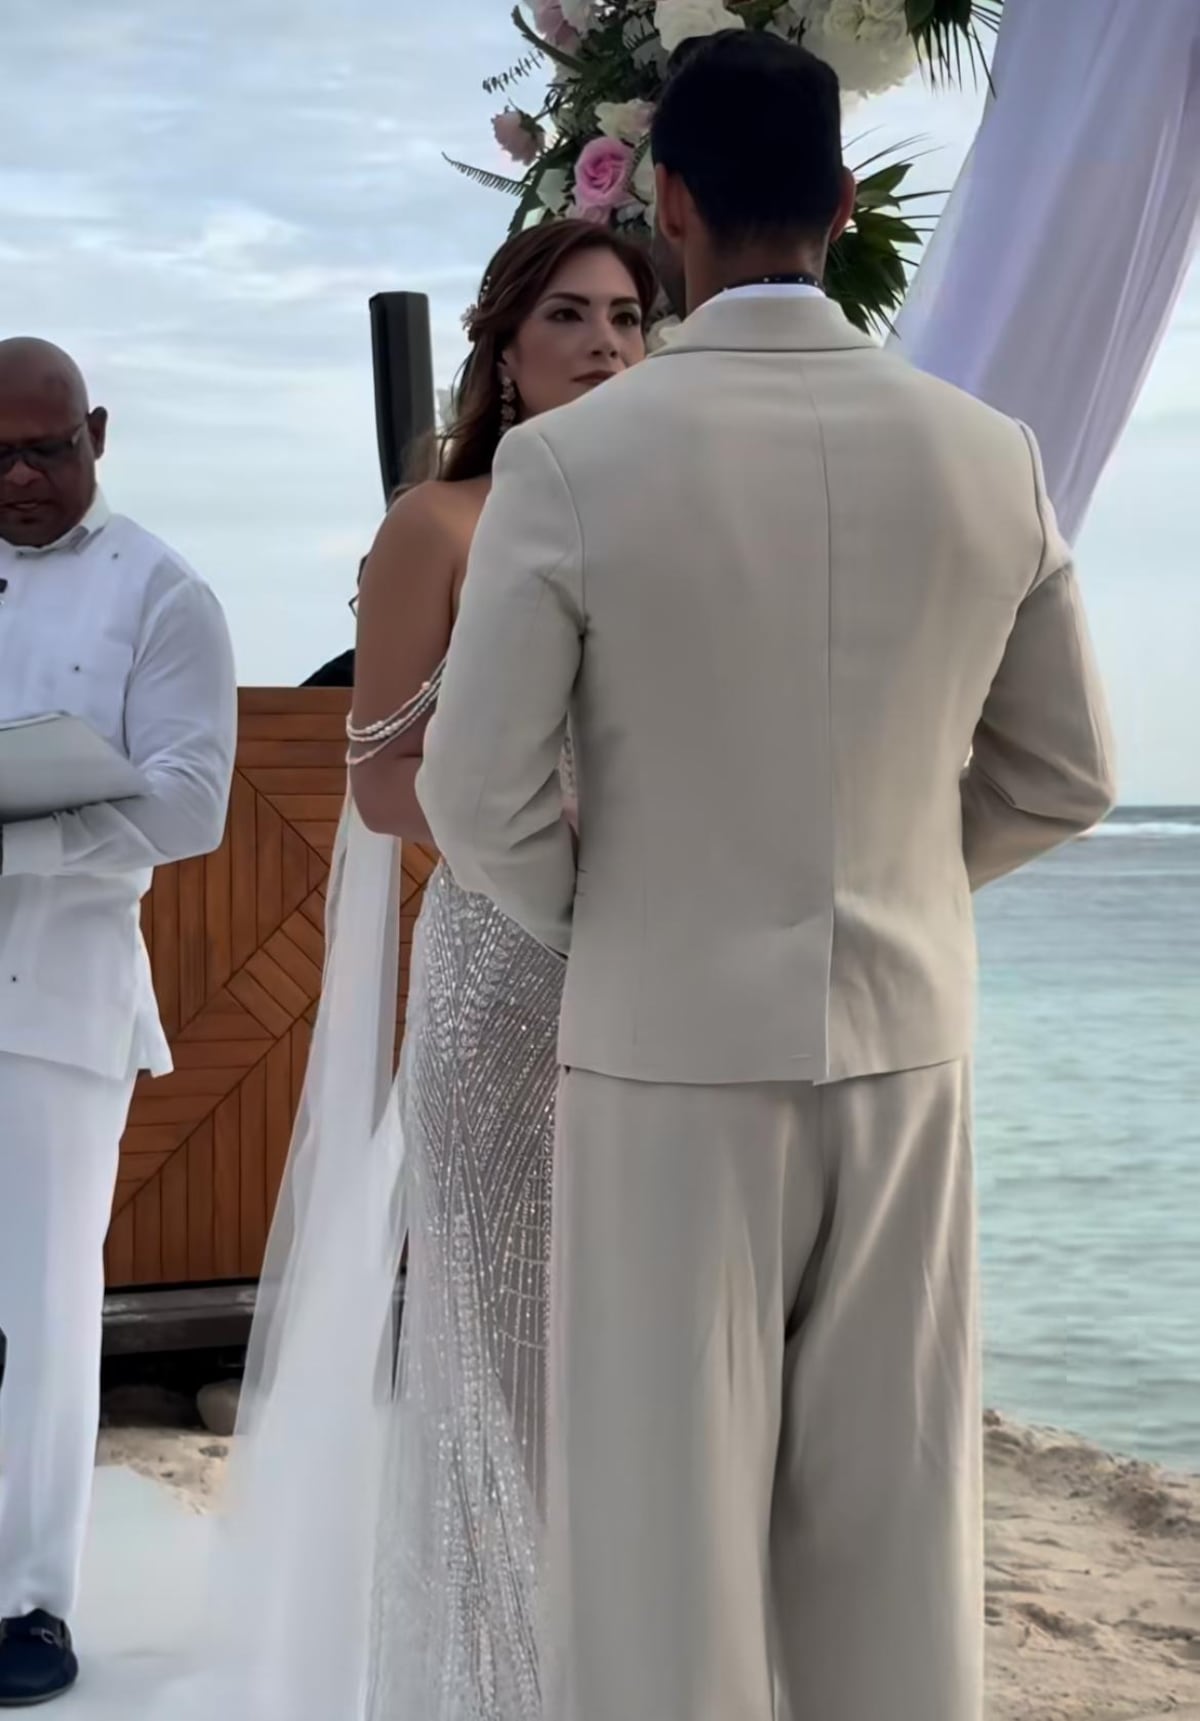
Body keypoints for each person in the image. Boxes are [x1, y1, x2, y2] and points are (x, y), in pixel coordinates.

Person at [418, 32, 1117, 1721]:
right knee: (897, 1524)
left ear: (666, 206)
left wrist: (627, 922)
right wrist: (902, 892)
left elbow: (476, 788)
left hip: (662, 1052)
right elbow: (1067, 769)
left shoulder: (576, 464)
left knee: (660, 1539)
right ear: (849, 199)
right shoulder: (987, 454)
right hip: (908, 1043)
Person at [159, 220, 653, 1721]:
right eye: (568, 315)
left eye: (630, 317)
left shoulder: (678, 507)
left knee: (636, 1357)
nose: (605, 344)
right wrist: (557, 815)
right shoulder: (438, 523)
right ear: (503, 347)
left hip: (661, 974)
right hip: (507, 973)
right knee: (499, 1353)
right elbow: (378, 786)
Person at [0, 339, 236, 1705]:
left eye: (51, 448)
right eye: (1, 456)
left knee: (43, 1305)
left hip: (60, 996)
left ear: (98, 431)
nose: (26, 476)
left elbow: (193, 804)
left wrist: (25, 842)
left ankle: (30, 1599)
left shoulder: (164, 589)